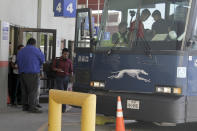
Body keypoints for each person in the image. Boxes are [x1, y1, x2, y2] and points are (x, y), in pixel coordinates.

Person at [17, 38, 45, 113]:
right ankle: (32, 108)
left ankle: (25, 106)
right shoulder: (36, 50)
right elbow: (43, 60)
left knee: (24, 90)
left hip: (22, 73)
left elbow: (18, 61)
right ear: (34, 43)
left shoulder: (21, 51)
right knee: (33, 91)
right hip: (33, 73)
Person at [52, 48, 73, 113]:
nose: (66, 55)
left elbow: (71, 70)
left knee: (64, 92)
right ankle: (61, 108)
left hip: (66, 78)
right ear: (62, 54)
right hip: (59, 78)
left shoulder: (69, 61)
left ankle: (63, 108)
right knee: (61, 91)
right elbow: (53, 68)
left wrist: (71, 77)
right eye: (65, 54)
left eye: (67, 54)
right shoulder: (57, 60)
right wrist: (57, 70)